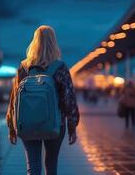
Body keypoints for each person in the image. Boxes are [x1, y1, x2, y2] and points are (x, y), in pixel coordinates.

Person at [6, 25, 80, 175]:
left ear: (34, 42)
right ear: (54, 42)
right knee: (51, 165)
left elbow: (14, 98)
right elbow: (69, 100)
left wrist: (11, 127)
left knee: (32, 167)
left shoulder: (24, 67)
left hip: (27, 123)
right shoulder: (60, 67)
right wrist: (72, 126)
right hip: (55, 123)